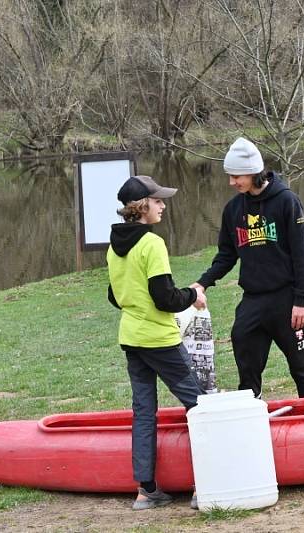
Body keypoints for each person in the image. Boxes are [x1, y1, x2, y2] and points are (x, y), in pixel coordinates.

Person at [106, 175, 207, 510]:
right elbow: (164, 297)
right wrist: (193, 295)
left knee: (144, 411)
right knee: (200, 407)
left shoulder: (113, 246)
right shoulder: (151, 244)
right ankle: (206, 484)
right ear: (143, 206)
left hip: (131, 339)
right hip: (159, 341)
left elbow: (114, 295)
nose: (163, 206)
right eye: (158, 201)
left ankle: (146, 490)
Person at [192, 137, 304, 398]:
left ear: (252, 172)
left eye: (236, 176)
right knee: (244, 353)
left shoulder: (286, 201)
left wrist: (301, 299)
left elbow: (303, 254)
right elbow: (226, 255)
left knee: (300, 367)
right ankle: (251, 415)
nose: (232, 182)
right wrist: (203, 282)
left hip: (286, 300)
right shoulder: (233, 209)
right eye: (230, 176)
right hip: (254, 300)